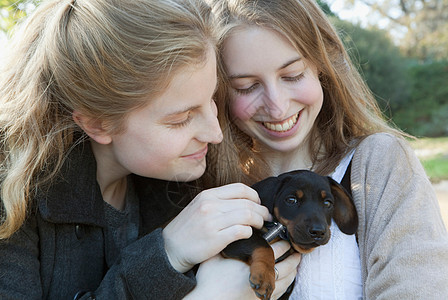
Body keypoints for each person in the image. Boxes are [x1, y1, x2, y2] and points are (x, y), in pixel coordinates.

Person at [0, 0, 302, 298]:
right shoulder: (12, 202)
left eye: (212, 98)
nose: (215, 133)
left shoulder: (185, 185)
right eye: (181, 119)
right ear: (99, 124)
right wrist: (174, 260)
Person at [204, 0, 448, 298]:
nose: (278, 106)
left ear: (323, 66)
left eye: (292, 75)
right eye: (245, 86)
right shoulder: (205, 184)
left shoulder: (380, 164)